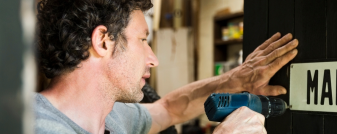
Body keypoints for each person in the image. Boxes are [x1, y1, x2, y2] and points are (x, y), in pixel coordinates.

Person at [35, 0, 298, 134]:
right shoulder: (38, 126)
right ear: (103, 41)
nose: (153, 58)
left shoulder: (113, 117)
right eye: (142, 40)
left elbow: (168, 109)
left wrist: (236, 80)